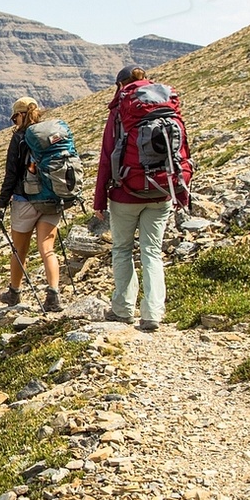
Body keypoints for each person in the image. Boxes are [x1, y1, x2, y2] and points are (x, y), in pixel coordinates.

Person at [93, 66, 182, 332]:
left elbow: (107, 157)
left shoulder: (121, 109)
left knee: (122, 249)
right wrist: (180, 190)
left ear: (121, 85)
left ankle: (123, 309)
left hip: (126, 192)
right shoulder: (166, 104)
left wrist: (99, 201)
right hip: (162, 191)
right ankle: (153, 313)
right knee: (152, 252)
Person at [0, 97, 64, 312]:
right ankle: (53, 295)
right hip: (52, 199)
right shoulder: (52, 134)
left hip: (25, 200)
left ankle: (14, 292)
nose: (13, 122)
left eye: (14, 117)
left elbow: (11, 174)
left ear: (20, 115)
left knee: (19, 249)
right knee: (47, 248)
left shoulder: (20, 137)